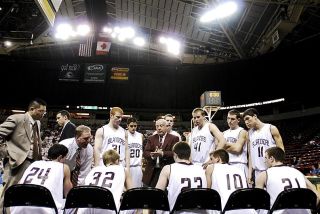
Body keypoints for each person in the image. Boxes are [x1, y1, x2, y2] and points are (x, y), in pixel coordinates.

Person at [0, 98, 47, 207]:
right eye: (41, 111)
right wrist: (5, 151)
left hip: (33, 162)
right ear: (32, 109)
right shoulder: (16, 118)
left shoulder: (38, 123)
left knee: (25, 194)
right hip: (18, 161)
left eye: (44, 111)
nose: (43, 114)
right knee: (9, 192)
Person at [256, 147, 320, 214]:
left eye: (266, 158)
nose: (264, 161)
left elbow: (258, 202)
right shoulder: (298, 172)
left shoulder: (264, 175)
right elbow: (317, 195)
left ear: (271, 159)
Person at [11, 144, 73, 214]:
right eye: (65, 158)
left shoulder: (34, 163)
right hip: (45, 208)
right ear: (60, 157)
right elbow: (70, 194)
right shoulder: (64, 167)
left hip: (18, 205)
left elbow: (18, 185)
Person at [156, 141, 207, 213]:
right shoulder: (201, 169)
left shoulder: (168, 168)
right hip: (199, 211)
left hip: (177, 211)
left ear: (175, 155)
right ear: (189, 155)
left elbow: (158, 194)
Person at [78, 149, 133, 214]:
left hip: (85, 208)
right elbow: (131, 193)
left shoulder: (94, 169)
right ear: (117, 160)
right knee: (134, 204)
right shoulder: (122, 169)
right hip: (108, 208)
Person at [205, 149, 256, 214]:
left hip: (226, 209)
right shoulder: (239, 170)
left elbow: (207, 191)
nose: (209, 162)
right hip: (247, 210)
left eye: (211, 159)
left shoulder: (212, 167)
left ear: (218, 159)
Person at [242, 108, 284, 185]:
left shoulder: (271, 128)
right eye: (244, 121)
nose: (246, 122)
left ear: (255, 116)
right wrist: (249, 173)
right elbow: (251, 155)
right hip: (257, 172)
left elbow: (281, 150)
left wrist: (279, 168)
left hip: (272, 170)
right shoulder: (249, 134)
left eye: (247, 119)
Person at [142, 118, 179, 187]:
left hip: (166, 170)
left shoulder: (174, 138)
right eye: (157, 126)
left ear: (166, 126)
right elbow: (145, 153)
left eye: (161, 126)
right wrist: (152, 155)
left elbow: (175, 153)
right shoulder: (151, 138)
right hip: (152, 171)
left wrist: (162, 153)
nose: (159, 128)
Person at [223, 109, 249, 176]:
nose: (229, 121)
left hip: (239, 164)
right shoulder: (224, 133)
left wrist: (223, 145)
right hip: (227, 165)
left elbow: (237, 149)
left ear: (238, 120)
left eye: (232, 119)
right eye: (228, 118)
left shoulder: (242, 132)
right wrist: (231, 147)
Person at [127, 117, 144, 188]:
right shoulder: (124, 135)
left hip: (138, 166)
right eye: (131, 126)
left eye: (135, 126)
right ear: (127, 126)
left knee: (138, 188)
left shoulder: (141, 135)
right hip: (128, 166)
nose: (133, 128)